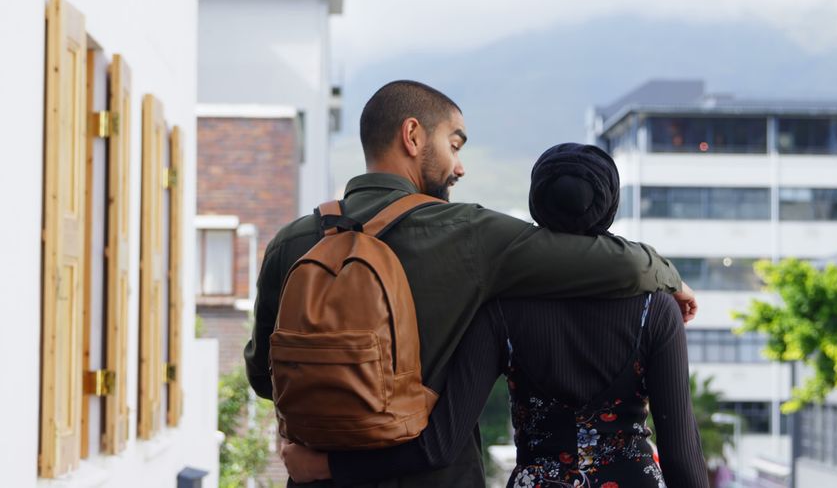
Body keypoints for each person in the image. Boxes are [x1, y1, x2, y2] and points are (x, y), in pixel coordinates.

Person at [245, 81, 697, 487]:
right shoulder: (469, 234)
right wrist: (666, 275)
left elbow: (265, 378)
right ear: (413, 135)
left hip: (318, 475)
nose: (458, 167)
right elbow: (603, 261)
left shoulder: (292, 242)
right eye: (454, 145)